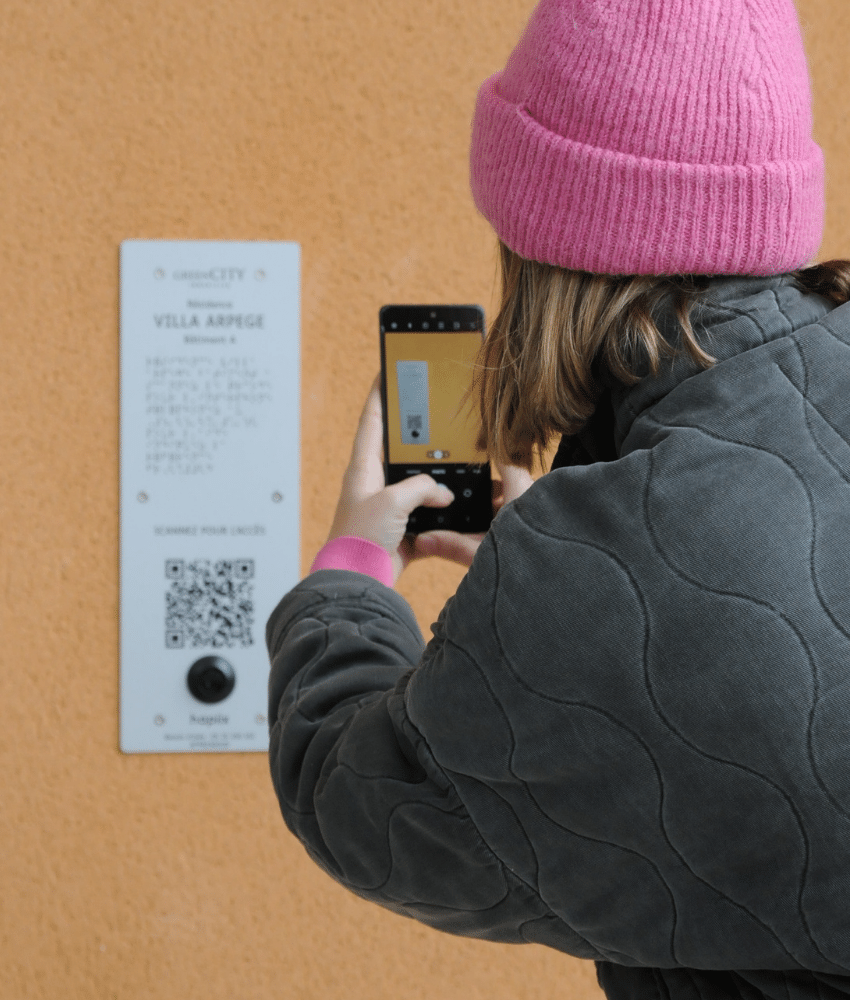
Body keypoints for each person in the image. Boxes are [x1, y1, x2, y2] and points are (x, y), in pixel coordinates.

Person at [265, 1, 850, 997]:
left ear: (540, 246)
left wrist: (350, 570)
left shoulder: (570, 582)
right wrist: (581, 552)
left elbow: (362, 804)